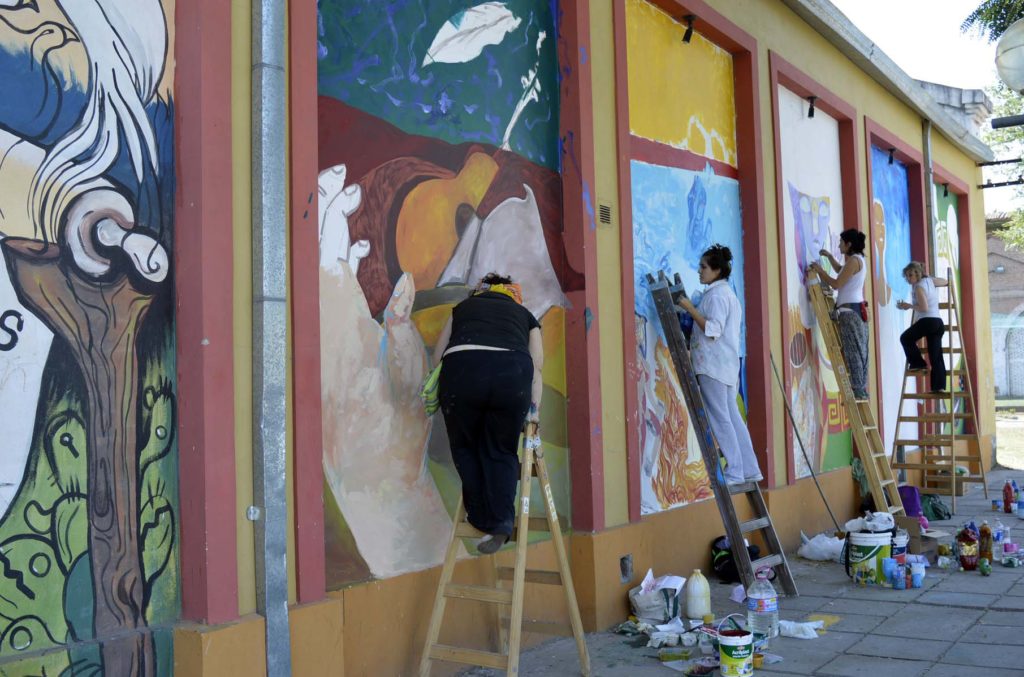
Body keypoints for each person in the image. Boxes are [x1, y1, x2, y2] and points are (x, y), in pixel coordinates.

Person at [432, 273, 544, 554]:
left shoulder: (463, 309)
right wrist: (533, 412)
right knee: (502, 450)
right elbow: (536, 365)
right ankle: (501, 523)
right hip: (511, 372)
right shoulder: (525, 315)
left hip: (462, 369)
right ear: (513, 294)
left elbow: (437, 356)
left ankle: (479, 518)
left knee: (465, 447)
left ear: (479, 292)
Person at [677, 245, 762, 486]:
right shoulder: (727, 295)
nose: (699, 271)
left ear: (716, 270)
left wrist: (690, 309)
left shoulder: (715, 296)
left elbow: (713, 329)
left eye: (704, 267)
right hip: (725, 367)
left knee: (721, 419)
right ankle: (750, 468)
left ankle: (735, 470)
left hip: (712, 366)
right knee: (733, 419)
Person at [809, 229, 869, 400]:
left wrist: (820, 271)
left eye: (841, 242)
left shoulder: (854, 261)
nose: (838, 245)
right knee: (860, 350)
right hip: (855, 311)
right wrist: (829, 257)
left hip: (849, 313)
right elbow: (841, 270)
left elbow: (836, 284)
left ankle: (857, 388)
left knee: (853, 351)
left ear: (848, 244)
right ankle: (861, 388)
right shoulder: (858, 261)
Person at [896, 261, 948, 393]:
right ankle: (939, 387)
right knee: (936, 355)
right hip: (938, 323)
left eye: (911, 275)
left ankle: (918, 363)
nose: (909, 278)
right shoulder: (929, 280)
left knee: (905, 338)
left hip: (928, 321)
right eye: (907, 276)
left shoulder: (919, 287)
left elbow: (924, 308)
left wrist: (908, 306)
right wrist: (932, 278)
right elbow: (945, 281)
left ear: (918, 274)